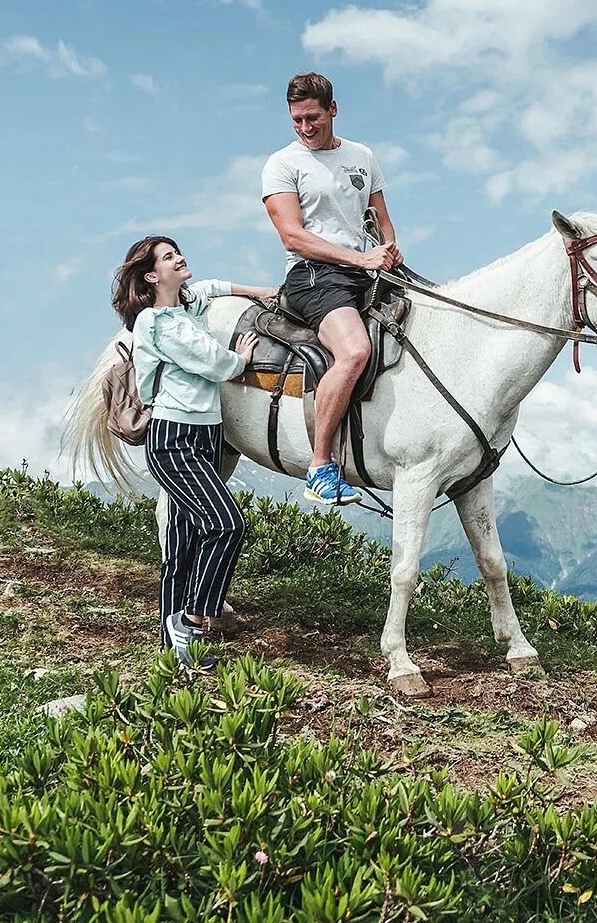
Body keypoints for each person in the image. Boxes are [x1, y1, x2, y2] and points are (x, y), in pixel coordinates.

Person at [114, 234, 274, 669]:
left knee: (184, 543)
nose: (179, 258)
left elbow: (217, 286)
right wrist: (239, 359)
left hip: (205, 436)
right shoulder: (155, 321)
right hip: (173, 438)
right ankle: (196, 616)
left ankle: (176, 649)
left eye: (177, 251)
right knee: (227, 525)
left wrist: (261, 292)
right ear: (151, 275)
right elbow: (212, 362)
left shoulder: (187, 304)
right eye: (168, 257)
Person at [260, 72, 401, 506]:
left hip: (365, 272)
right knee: (355, 350)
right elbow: (292, 236)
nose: (306, 127)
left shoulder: (362, 156)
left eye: (314, 118)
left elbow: (380, 220)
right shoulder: (282, 164)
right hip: (313, 275)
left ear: (333, 110)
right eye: (297, 120)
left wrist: (390, 255)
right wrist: (359, 259)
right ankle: (320, 467)